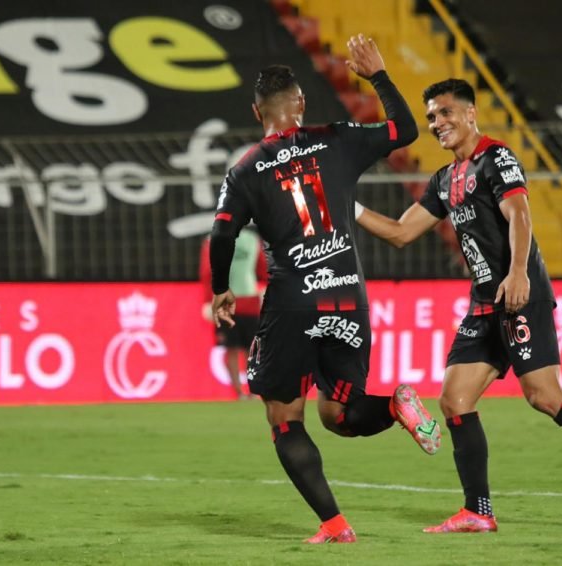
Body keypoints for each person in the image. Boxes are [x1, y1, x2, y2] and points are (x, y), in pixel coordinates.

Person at [355, 78, 562, 533]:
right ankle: (478, 510)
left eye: (445, 113)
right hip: (483, 303)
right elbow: (402, 232)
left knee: (544, 396)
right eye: (432, 118)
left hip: (519, 295)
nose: (438, 124)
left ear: (470, 113)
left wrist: (518, 271)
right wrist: (348, 207)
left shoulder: (496, 157)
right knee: (455, 399)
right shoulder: (444, 179)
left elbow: (519, 214)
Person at [209, 35, 441, 544]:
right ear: (301, 104)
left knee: (283, 416)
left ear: (257, 111)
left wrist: (221, 288)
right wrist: (377, 76)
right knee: (339, 413)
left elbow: (223, 231)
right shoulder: (337, 139)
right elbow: (404, 130)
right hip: (347, 298)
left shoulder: (245, 170)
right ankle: (396, 405)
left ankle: (334, 524)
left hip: (294, 300)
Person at [200, 227, 267, 399]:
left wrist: (209, 301)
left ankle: (239, 393)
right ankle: (252, 391)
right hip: (249, 300)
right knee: (250, 349)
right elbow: (264, 270)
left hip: (225, 302)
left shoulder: (212, 239)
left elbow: (208, 273)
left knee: (232, 349)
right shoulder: (253, 240)